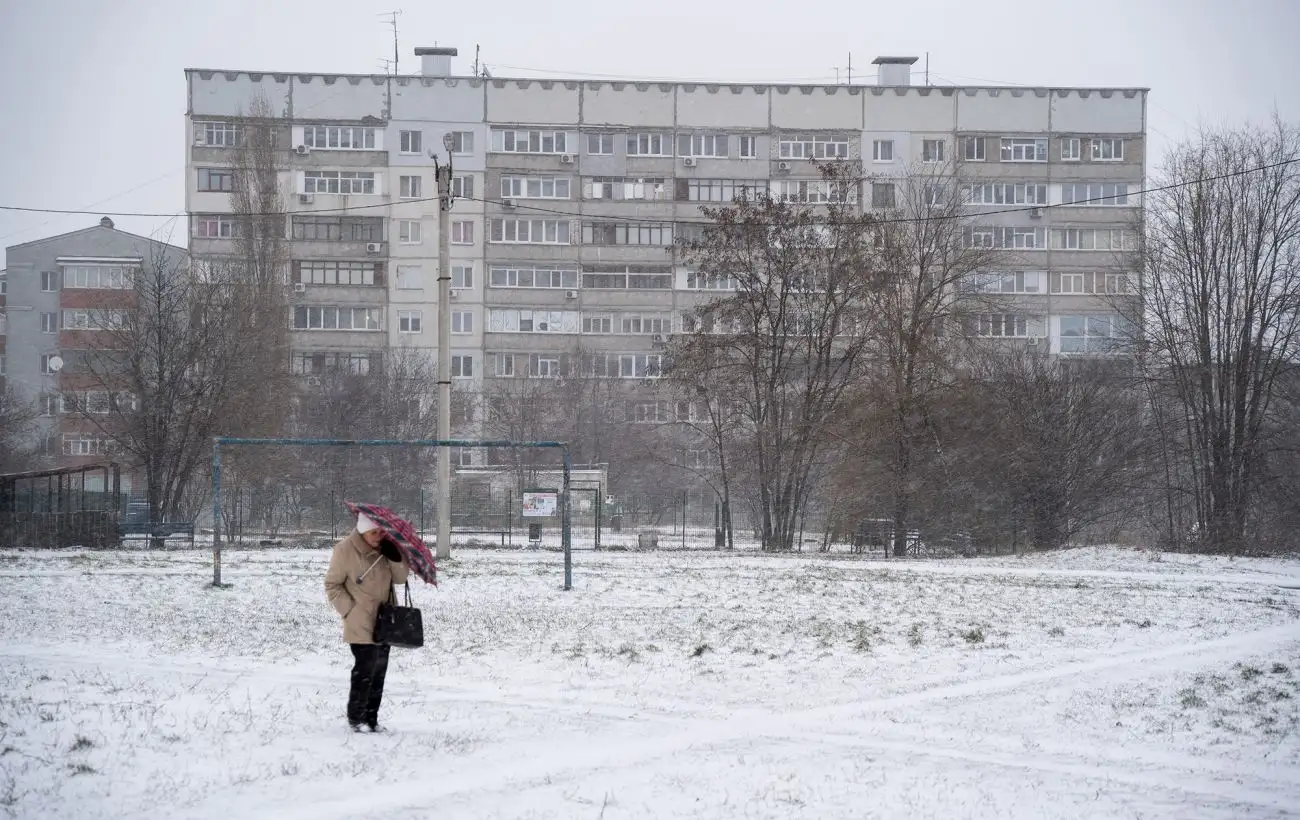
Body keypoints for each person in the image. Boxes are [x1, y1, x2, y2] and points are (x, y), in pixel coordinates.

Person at [324, 511, 409, 733]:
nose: (379, 536)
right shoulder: (344, 551)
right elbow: (332, 585)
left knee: (379, 671)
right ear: (362, 531)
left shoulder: (386, 548)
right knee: (365, 670)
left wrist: (395, 556)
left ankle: (372, 719)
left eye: (381, 531)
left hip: (385, 621)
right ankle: (356, 718)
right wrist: (349, 610)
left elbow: (400, 579)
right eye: (374, 532)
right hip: (360, 621)